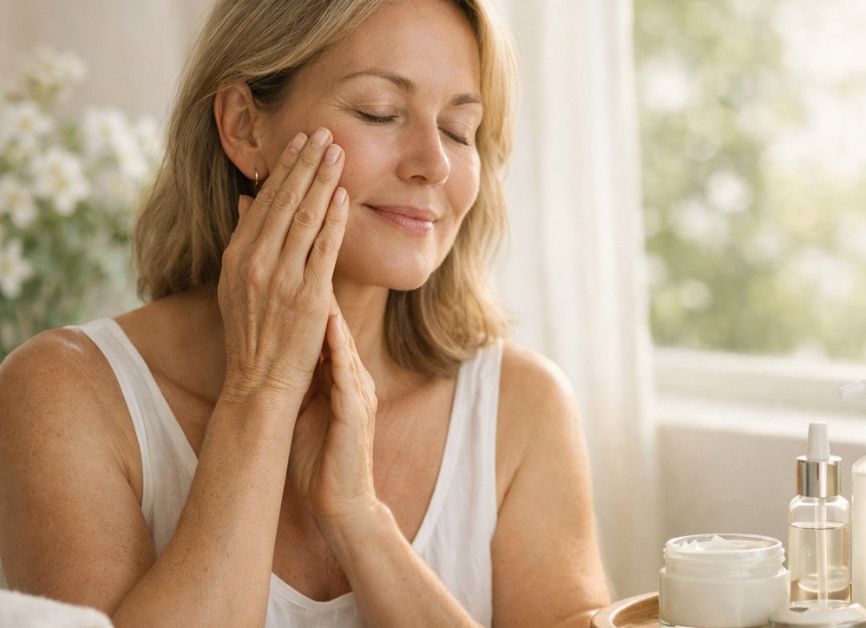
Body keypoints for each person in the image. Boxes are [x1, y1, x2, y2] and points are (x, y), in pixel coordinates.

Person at [0, 0, 612, 626]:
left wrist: (360, 518)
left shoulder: (521, 408)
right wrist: (261, 393)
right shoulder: (65, 394)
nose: (434, 163)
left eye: (460, 130)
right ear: (243, 125)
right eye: (380, 112)